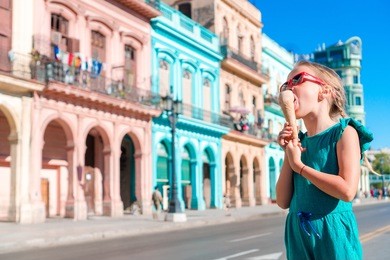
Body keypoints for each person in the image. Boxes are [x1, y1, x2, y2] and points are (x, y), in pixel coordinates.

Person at [276, 60, 373, 260]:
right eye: (285, 85)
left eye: (297, 79)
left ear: (324, 91)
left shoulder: (344, 133)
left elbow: (347, 190)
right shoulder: (300, 142)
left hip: (332, 233)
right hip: (298, 232)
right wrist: (290, 151)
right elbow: (283, 200)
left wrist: (300, 167)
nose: (289, 87)